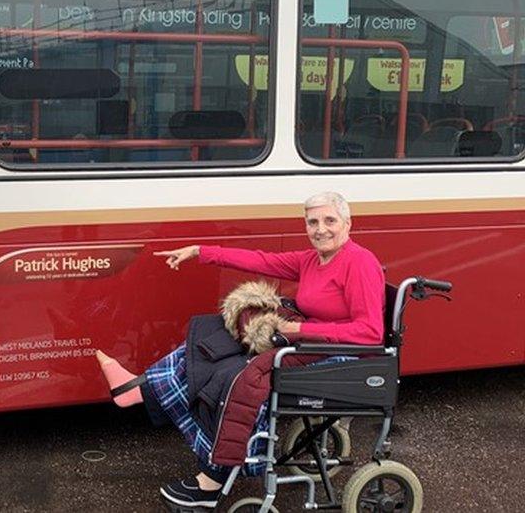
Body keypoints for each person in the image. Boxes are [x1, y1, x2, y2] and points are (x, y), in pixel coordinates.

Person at [95, 191, 384, 510]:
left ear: (348, 223)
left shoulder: (360, 262)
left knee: (241, 376)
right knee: (217, 334)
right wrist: (200, 251)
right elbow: (260, 260)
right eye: (312, 222)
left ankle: (213, 480)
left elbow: (370, 332)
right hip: (310, 341)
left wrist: (299, 329)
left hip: (337, 353)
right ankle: (142, 387)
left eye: (330, 220)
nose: (321, 229)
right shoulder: (312, 259)